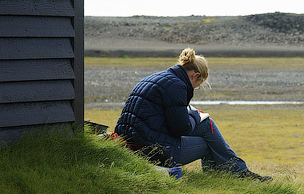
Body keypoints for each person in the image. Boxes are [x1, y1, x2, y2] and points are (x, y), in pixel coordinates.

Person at [115, 48, 271, 181]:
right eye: (197, 85)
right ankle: (227, 175)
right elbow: (180, 128)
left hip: (136, 140)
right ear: (195, 75)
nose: (195, 88)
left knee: (206, 126)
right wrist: (195, 116)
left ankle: (232, 173)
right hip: (152, 150)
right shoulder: (176, 85)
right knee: (206, 132)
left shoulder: (156, 78)